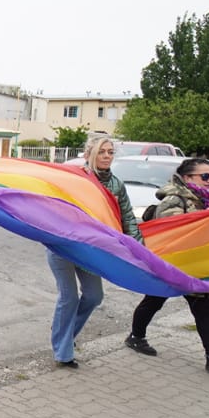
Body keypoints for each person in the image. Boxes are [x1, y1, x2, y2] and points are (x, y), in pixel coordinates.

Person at [125, 158, 209, 373]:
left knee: (201, 307)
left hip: (196, 265)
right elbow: (174, 233)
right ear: (187, 178)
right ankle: (136, 336)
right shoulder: (174, 200)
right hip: (174, 265)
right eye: (205, 176)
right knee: (155, 300)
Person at [46, 136, 141, 368]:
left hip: (92, 250)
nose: (107, 156)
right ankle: (63, 351)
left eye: (110, 152)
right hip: (64, 245)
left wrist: (139, 249)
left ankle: (64, 332)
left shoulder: (117, 184)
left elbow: (127, 216)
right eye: (102, 152)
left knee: (94, 296)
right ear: (89, 155)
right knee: (68, 297)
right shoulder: (77, 179)